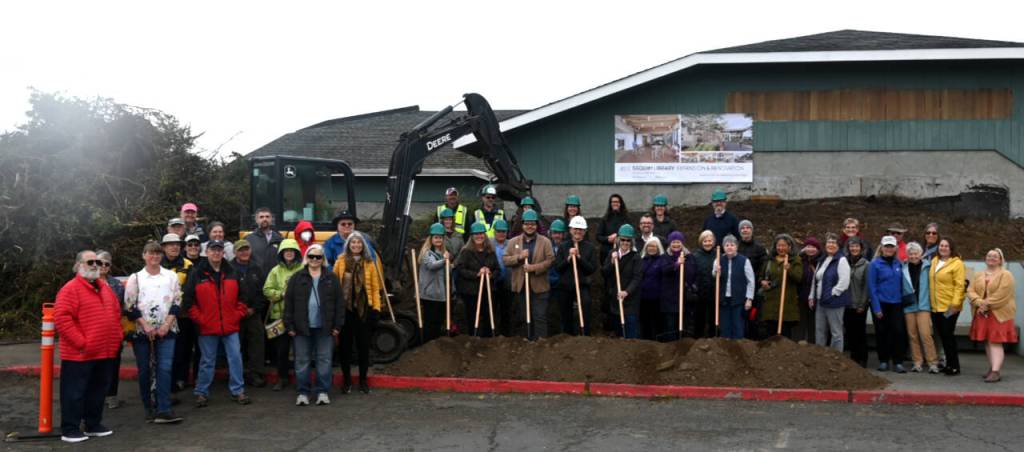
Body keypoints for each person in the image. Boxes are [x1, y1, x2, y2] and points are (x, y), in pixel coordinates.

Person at [54, 251, 123, 443]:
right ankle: (70, 429)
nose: (95, 265)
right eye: (90, 261)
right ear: (78, 265)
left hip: (106, 351)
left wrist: (117, 338)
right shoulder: (70, 289)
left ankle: (93, 424)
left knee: (98, 391)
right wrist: (82, 343)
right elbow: (62, 318)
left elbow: (117, 314)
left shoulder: (106, 288)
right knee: (74, 392)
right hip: (80, 354)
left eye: (98, 262)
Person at [182, 240, 252, 406]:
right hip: (207, 326)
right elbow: (188, 300)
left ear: (223, 253)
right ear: (207, 252)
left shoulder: (232, 272)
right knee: (207, 360)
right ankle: (201, 392)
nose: (216, 253)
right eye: (213, 250)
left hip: (231, 325)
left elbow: (244, 297)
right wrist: (201, 319)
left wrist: (237, 314)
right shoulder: (197, 273)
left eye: (219, 250)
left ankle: (238, 391)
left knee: (235, 358)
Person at [123, 241, 183, 424]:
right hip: (143, 333)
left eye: (157, 253)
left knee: (164, 368)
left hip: (167, 330)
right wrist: (145, 325)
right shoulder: (136, 278)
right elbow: (129, 305)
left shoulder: (171, 276)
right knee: (145, 370)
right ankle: (149, 407)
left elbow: (177, 302)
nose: (154, 257)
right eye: (150, 253)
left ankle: (164, 408)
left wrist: (166, 324)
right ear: (144, 255)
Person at [284, 244, 343, 406]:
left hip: (325, 328)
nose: (315, 259)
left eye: (318, 256)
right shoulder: (297, 277)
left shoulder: (331, 278)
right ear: (306, 258)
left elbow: (339, 304)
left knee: (324, 360)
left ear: (323, 258)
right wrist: (288, 325)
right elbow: (288, 303)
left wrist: (338, 325)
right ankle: (303, 392)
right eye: (311, 256)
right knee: (302, 361)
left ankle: (322, 391)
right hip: (301, 328)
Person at [333, 233, 382, 394]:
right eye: (353, 242)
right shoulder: (340, 262)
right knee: (345, 348)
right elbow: (334, 286)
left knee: (363, 348)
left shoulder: (369, 263)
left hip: (364, 311)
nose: (356, 245)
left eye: (358, 243)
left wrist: (376, 308)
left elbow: (375, 288)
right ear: (348, 245)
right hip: (345, 311)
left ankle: (363, 380)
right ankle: (346, 380)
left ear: (363, 246)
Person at [502, 210, 554, 340]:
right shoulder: (513, 242)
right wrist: (519, 257)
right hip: (521, 286)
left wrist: (533, 268)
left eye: (532, 224)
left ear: (537, 225)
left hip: (539, 287)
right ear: (522, 225)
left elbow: (550, 261)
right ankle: (527, 342)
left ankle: (541, 343)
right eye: (526, 224)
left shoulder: (545, 242)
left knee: (539, 316)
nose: (529, 226)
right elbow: (505, 260)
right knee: (525, 316)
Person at [968, 248, 1018, 383]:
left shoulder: (1006, 274)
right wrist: (978, 301)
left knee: (995, 342)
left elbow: (1003, 295)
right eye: (989, 255)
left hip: (999, 313)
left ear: (1001, 260)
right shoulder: (978, 274)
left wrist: (984, 304)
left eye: (995, 256)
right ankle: (992, 368)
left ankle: (996, 371)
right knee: (988, 341)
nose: (991, 258)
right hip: (982, 313)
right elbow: (971, 290)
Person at [263, 239, 304, 391]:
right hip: (279, 316)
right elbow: (267, 290)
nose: (289, 253)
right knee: (281, 350)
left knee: (300, 349)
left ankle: (301, 378)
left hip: (298, 316)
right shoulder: (275, 271)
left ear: (296, 253)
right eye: (286, 251)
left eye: (291, 251)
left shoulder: (303, 269)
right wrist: (280, 294)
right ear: (281, 253)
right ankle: (282, 378)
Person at [162, 233, 197, 393]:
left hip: (182, 315)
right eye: (170, 244)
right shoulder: (158, 264)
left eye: (177, 244)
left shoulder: (188, 265)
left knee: (182, 348)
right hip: (161, 316)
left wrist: (177, 308)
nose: (175, 247)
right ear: (163, 247)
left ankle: (180, 378)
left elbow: (188, 291)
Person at [869, 236, 908, 373]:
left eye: (891, 246)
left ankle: (898, 361)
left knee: (898, 332)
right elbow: (872, 287)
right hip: (881, 304)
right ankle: (883, 361)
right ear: (882, 248)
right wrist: (876, 308)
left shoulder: (899, 264)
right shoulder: (875, 264)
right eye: (887, 246)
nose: (889, 249)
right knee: (882, 333)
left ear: (895, 248)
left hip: (897, 304)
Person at [554, 216, 598, 336]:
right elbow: (558, 268)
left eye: (580, 229)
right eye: (575, 229)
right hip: (565, 285)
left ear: (584, 231)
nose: (577, 231)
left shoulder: (590, 248)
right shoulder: (563, 247)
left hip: (582, 284)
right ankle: (567, 336)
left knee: (586, 306)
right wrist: (568, 259)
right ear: (570, 230)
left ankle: (585, 334)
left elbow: (591, 269)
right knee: (565, 312)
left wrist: (579, 258)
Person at [232, 239, 267, 387]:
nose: (244, 252)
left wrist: (254, 308)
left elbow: (262, 291)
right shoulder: (228, 268)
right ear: (235, 252)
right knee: (236, 346)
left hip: (254, 313)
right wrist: (239, 309)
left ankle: (256, 373)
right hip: (235, 314)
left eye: (246, 249)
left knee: (256, 344)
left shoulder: (257, 268)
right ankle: (238, 373)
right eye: (240, 250)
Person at [455, 223, 500, 336]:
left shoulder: (490, 251)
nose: (479, 236)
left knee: (488, 316)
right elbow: (461, 269)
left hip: (488, 290)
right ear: (472, 236)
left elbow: (497, 269)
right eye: (476, 234)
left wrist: (490, 274)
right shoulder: (466, 252)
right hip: (471, 291)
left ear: (484, 235)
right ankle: (473, 338)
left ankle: (487, 339)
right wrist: (477, 274)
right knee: (472, 316)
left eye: (481, 234)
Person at [929, 237, 965, 376]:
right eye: (941, 245)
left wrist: (955, 305)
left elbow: (960, 285)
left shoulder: (957, 264)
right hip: (935, 307)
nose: (943, 248)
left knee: (947, 335)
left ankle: (955, 366)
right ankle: (948, 364)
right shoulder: (934, 261)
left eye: (946, 246)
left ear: (951, 248)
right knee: (943, 336)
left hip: (949, 307)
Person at [808, 234, 850, 352]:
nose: (830, 245)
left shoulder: (841, 260)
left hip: (834, 302)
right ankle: (820, 357)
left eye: (833, 243)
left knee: (836, 332)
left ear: (838, 246)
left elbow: (844, 282)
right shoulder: (823, 260)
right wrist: (812, 296)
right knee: (820, 330)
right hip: (820, 301)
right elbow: (815, 279)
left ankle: (836, 358)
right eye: (828, 242)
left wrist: (832, 294)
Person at [903, 242, 940, 374]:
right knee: (912, 335)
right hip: (909, 306)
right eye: (911, 254)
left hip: (923, 306)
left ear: (920, 254)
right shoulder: (903, 268)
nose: (913, 256)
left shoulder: (928, 266)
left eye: (916, 253)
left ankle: (933, 362)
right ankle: (917, 362)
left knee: (926, 335)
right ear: (907, 255)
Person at [96, 250, 126, 410]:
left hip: (113, 332)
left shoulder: (116, 285)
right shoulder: (86, 282)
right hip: (93, 333)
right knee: (95, 367)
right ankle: (96, 397)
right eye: (100, 263)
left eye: (107, 264)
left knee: (113, 366)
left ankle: (111, 396)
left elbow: (121, 308)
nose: (103, 266)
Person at [602, 224, 642, 338]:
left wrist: (626, 292)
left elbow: (637, 278)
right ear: (619, 240)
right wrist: (612, 263)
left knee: (630, 332)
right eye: (623, 239)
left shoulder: (636, 257)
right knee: (618, 332)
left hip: (630, 301)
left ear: (632, 241)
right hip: (615, 299)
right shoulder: (612, 254)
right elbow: (604, 273)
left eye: (628, 240)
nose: (625, 242)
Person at [760, 234, 804, 339]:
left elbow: (798, 278)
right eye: (778, 245)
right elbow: (761, 276)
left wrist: (789, 270)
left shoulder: (795, 260)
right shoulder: (770, 260)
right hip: (771, 301)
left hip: (786, 302)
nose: (781, 248)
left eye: (784, 245)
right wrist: (763, 282)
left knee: (785, 333)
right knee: (770, 331)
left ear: (789, 247)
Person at [713, 235, 754, 340]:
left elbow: (751, 281)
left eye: (732, 245)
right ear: (723, 247)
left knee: (738, 327)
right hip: (723, 299)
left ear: (736, 246)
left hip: (739, 300)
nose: (729, 247)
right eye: (727, 245)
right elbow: (714, 276)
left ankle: (738, 350)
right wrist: (716, 271)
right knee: (725, 328)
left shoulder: (744, 261)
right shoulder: (718, 260)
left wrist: (749, 299)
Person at [418, 223, 452, 341]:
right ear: (431, 239)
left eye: (440, 237)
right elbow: (432, 265)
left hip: (440, 294)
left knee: (438, 321)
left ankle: (435, 346)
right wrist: (445, 260)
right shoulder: (426, 253)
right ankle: (427, 345)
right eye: (436, 237)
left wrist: (449, 264)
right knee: (430, 322)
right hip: (429, 294)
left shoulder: (441, 254)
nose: (438, 240)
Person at [660, 231, 696, 340]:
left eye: (678, 242)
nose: (676, 245)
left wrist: (693, 286)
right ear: (670, 243)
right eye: (673, 242)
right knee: (670, 325)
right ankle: (671, 348)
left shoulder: (689, 256)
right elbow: (664, 270)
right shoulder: (665, 257)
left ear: (682, 243)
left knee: (684, 324)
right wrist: (676, 264)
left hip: (684, 297)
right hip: (669, 298)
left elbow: (694, 272)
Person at [737, 220, 768, 339]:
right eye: (742, 228)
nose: (745, 230)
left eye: (747, 228)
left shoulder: (759, 248)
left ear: (751, 230)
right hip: (738, 287)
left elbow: (764, 267)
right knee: (739, 314)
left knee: (753, 315)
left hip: (754, 287)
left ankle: (753, 339)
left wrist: (759, 279)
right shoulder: (736, 247)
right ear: (739, 231)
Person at [843, 237, 871, 368]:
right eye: (851, 246)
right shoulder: (844, 262)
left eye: (856, 246)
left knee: (860, 332)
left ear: (861, 248)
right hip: (846, 304)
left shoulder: (866, 264)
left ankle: (863, 358)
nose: (854, 249)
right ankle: (853, 358)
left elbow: (866, 286)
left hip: (859, 304)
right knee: (849, 332)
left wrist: (862, 304)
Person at [691, 230, 719, 338]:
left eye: (710, 241)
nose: (707, 243)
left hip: (714, 292)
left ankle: (713, 339)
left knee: (713, 319)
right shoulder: (696, 256)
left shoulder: (718, 255)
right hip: (700, 293)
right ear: (701, 242)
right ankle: (697, 340)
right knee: (699, 319)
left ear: (713, 242)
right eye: (705, 241)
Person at [639, 237, 667, 340]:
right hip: (643, 297)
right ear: (646, 248)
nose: (651, 248)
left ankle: (659, 343)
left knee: (657, 321)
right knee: (645, 321)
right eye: (649, 246)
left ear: (658, 248)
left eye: (654, 246)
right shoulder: (642, 260)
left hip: (657, 297)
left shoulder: (662, 260)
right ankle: (647, 341)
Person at [795, 237, 821, 344]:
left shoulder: (821, 260)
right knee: (801, 322)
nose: (810, 249)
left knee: (814, 323)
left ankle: (813, 343)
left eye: (813, 247)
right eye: (808, 246)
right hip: (801, 295)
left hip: (816, 296)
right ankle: (799, 342)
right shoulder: (800, 260)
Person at [491, 219, 514, 336]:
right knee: (492, 310)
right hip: (492, 282)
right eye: (499, 231)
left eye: (503, 232)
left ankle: (506, 335)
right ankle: (492, 334)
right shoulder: (489, 244)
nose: (501, 234)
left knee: (506, 311)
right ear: (494, 232)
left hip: (507, 282)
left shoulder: (511, 244)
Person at [248, 207, 284, 280]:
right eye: (261, 217)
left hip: (275, 280)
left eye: (267, 217)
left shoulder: (279, 238)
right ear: (256, 220)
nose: (264, 219)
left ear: (271, 219)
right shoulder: (249, 239)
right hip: (256, 281)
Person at [546, 219, 567, 334]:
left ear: (563, 234)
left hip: (562, 283)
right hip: (549, 282)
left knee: (563, 309)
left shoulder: (567, 247)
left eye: (559, 233)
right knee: (548, 310)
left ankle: (564, 332)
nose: (557, 236)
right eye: (555, 233)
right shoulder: (546, 246)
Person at [596, 194, 629, 263]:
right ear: (610, 204)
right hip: (606, 253)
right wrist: (608, 239)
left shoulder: (626, 219)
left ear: (620, 204)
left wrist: (617, 236)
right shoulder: (605, 219)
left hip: (623, 251)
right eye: (613, 202)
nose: (615, 203)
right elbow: (598, 236)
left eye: (617, 202)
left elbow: (630, 234)